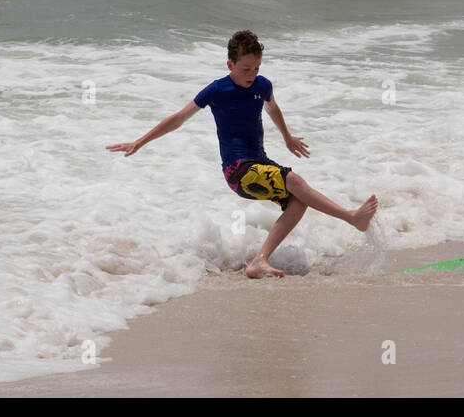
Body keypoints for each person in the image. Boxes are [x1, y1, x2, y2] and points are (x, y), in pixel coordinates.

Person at [106, 29, 378, 278]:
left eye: (257, 67)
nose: (252, 73)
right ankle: (351, 218)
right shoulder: (217, 90)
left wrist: (287, 137)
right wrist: (139, 142)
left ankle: (260, 261)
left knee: (298, 202)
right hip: (237, 171)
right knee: (294, 180)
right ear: (230, 65)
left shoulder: (262, 86)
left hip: (259, 164)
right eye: (246, 68)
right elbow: (179, 118)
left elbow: (273, 109)